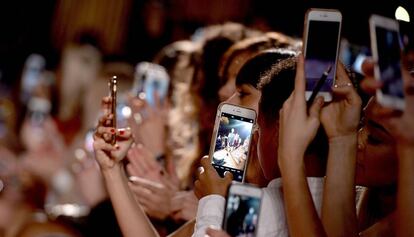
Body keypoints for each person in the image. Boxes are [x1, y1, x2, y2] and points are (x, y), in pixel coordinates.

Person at [194, 56, 327, 237]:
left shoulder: (258, 206)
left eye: (261, 128)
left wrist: (214, 199)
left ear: (280, 130)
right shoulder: (342, 202)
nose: (256, 135)